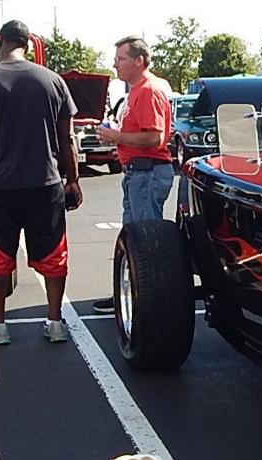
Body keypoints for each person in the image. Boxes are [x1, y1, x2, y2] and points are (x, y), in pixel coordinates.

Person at [0, 20, 81, 345]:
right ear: (27, 44)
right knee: (53, 252)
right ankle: (55, 321)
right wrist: (73, 179)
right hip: (45, 182)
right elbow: (67, 137)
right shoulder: (53, 80)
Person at [93, 36, 173, 314]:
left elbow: (155, 138)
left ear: (139, 61)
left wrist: (117, 136)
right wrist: (121, 142)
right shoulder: (138, 91)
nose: (115, 64)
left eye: (121, 58)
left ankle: (151, 303)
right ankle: (133, 296)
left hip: (147, 173)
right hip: (139, 172)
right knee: (135, 239)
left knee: (146, 241)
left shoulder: (148, 91)